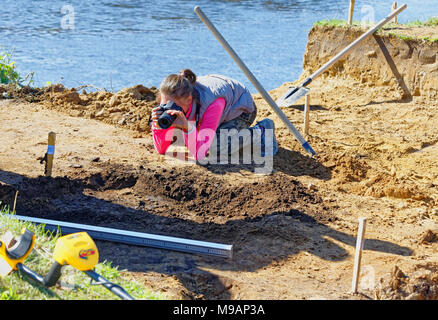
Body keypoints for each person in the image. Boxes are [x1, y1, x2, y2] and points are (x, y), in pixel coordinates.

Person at [150, 69, 278, 163]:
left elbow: (200, 155)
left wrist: (186, 127)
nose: (168, 110)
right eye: (164, 105)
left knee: (218, 146)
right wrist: (158, 126)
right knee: (189, 137)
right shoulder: (176, 103)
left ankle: (262, 130)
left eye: (173, 106)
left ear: (189, 99)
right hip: (210, 108)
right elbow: (161, 149)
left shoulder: (212, 103)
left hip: (239, 109)